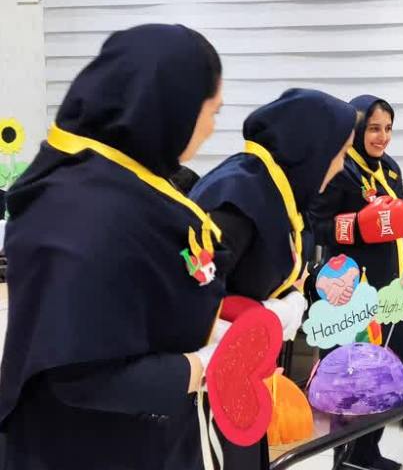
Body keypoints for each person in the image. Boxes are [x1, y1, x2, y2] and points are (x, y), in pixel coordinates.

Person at [0, 24, 228, 469]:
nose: (210, 128)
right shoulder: (81, 210)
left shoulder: (121, 185)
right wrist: (200, 366)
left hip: (136, 431)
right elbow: (81, 374)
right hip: (82, 446)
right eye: (211, 111)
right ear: (171, 106)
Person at [189, 88, 357, 469]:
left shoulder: (279, 192)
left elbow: (277, 271)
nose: (341, 167)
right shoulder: (237, 198)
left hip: (245, 372)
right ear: (313, 149)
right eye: (341, 153)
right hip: (206, 383)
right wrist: (272, 316)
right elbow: (191, 293)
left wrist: (313, 287)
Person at [308, 95, 403, 470]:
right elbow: (316, 225)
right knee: (353, 378)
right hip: (351, 293)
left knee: (388, 371)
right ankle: (346, 458)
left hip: (391, 288)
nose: (382, 136)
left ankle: (368, 452)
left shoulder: (391, 169)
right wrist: (356, 226)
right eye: (373, 128)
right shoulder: (339, 169)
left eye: (387, 128)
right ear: (355, 130)